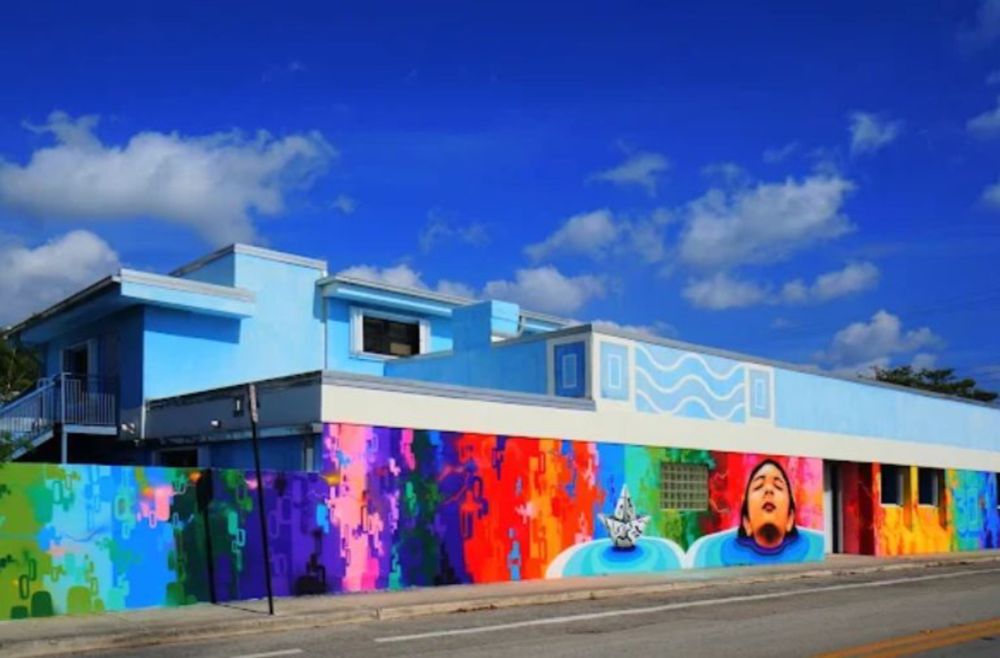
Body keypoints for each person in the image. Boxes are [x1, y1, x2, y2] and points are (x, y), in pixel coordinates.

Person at [687, 458, 824, 567]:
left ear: (790, 519)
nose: (768, 490)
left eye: (778, 486)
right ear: (746, 521)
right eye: (758, 486)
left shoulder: (816, 545)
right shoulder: (707, 552)